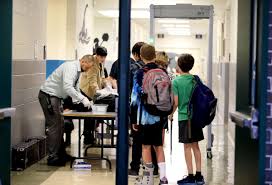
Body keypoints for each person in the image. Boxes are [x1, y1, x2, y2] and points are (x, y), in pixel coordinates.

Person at [38, 55, 94, 166]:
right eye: (88, 67)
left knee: (61, 125)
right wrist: (82, 99)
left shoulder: (78, 71)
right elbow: (68, 87)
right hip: (49, 96)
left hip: (56, 97)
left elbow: (76, 87)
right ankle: (52, 157)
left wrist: (80, 100)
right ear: (83, 61)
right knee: (55, 126)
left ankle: (61, 154)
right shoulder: (71, 67)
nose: (88, 69)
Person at [131, 44, 168, 185]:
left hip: (145, 117)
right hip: (160, 115)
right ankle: (163, 178)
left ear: (140, 56)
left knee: (146, 147)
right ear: (154, 55)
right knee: (158, 146)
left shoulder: (140, 73)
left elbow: (134, 99)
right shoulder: (163, 72)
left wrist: (134, 119)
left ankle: (148, 179)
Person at [169, 54, 205, 184]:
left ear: (179, 66)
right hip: (196, 117)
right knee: (196, 146)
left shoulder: (176, 82)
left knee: (187, 147)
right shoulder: (195, 79)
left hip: (185, 118)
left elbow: (176, 102)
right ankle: (199, 176)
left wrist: (171, 114)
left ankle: (190, 176)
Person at [80, 46, 109, 145]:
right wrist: (99, 92)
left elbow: (102, 77)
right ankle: (87, 136)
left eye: (104, 57)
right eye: (101, 57)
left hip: (94, 92)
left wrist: (106, 86)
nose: (103, 59)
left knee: (93, 115)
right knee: (89, 114)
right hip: (87, 91)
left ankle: (90, 134)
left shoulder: (100, 63)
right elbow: (92, 82)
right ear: (97, 55)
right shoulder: (92, 64)